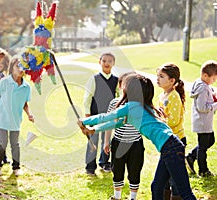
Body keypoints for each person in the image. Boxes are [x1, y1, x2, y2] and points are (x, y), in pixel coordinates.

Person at [78, 73, 196, 200]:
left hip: (170, 147)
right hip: (170, 146)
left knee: (185, 193)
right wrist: (94, 129)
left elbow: (106, 117)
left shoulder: (131, 107)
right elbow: (116, 123)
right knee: (156, 186)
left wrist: (85, 121)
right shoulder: (140, 107)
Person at [0, 55, 34, 176]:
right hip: (1, 119)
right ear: (12, 67)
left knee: (15, 144)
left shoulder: (26, 87)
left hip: (15, 120)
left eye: (23, 67)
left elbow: (25, 104)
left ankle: (16, 167)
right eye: (17, 66)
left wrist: (29, 114)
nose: (20, 69)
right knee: (2, 143)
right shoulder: (4, 82)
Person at [104, 71, 144, 200]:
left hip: (135, 144)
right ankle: (117, 196)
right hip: (118, 143)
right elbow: (109, 124)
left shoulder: (140, 104)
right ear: (120, 86)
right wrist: (106, 142)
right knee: (117, 170)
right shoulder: (114, 103)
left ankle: (133, 197)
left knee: (135, 171)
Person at [83, 52, 118, 175]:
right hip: (94, 115)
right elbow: (87, 98)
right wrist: (88, 116)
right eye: (104, 61)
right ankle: (90, 166)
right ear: (100, 62)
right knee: (93, 140)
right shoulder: (94, 79)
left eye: (109, 61)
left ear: (113, 63)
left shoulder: (116, 80)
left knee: (106, 140)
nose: (106, 63)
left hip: (109, 116)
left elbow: (118, 97)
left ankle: (104, 162)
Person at [157, 63, 186, 200]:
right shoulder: (162, 96)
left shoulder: (174, 96)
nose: (158, 78)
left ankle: (177, 197)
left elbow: (173, 121)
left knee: (175, 177)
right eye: (157, 75)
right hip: (166, 141)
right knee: (164, 177)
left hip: (176, 140)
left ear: (172, 80)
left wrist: (159, 121)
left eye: (161, 76)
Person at [185, 60, 217, 177]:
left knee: (210, 141)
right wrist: (215, 105)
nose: (214, 81)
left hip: (206, 122)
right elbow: (202, 107)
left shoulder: (204, 85)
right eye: (213, 79)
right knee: (203, 147)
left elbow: (209, 98)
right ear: (205, 76)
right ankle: (203, 170)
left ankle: (190, 156)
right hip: (202, 122)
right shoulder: (202, 88)